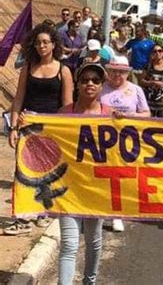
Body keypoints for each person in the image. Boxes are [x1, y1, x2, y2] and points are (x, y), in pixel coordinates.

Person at [7, 23, 73, 235]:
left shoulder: (64, 71)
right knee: (23, 171)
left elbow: (67, 105)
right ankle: (22, 218)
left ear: (54, 44)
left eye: (45, 42)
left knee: (47, 171)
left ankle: (43, 211)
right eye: (38, 43)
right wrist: (14, 127)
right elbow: (18, 99)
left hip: (51, 128)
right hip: (27, 126)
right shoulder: (28, 67)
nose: (41, 46)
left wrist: (62, 131)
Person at [57, 63, 110, 285]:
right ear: (77, 84)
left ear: (101, 86)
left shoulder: (110, 116)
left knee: (93, 240)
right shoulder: (63, 113)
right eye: (85, 79)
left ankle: (90, 281)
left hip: (97, 188)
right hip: (69, 188)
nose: (90, 83)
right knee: (69, 244)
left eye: (95, 81)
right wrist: (29, 125)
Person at [100, 56, 151, 232]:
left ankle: (117, 214)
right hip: (102, 139)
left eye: (121, 72)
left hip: (127, 140)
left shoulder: (136, 90)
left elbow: (146, 114)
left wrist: (129, 117)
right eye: (113, 71)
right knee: (102, 175)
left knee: (121, 176)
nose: (117, 75)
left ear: (127, 73)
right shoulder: (100, 88)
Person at [140, 46, 163, 117]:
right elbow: (141, 81)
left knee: (162, 125)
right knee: (149, 124)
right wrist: (152, 83)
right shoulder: (148, 66)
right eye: (155, 51)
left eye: (160, 51)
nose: (157, 53)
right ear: (152, 54)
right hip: (149, 102)